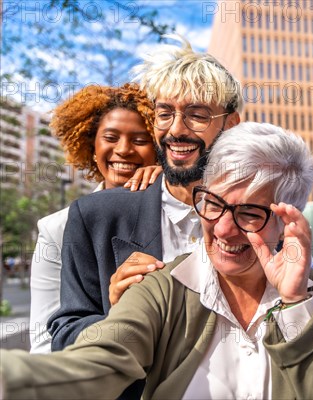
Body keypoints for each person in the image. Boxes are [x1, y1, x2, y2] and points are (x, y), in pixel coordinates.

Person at [0, 122, 313, 399]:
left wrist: (295, 304)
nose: (223, 228)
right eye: (214, 203)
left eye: (249, 213)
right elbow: (97, 363)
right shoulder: (162, 289)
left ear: (287, 220)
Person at [47, 34, 243, 354]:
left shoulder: (262, 216)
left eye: (196, 114)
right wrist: (120, 317)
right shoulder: (94, 217)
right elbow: (65, 337)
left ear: (231, 124)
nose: (177, 129)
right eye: (165, 113)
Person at [29, 83, 161, 354]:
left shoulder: (176, 211)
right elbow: (45, 341)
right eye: (110, 138)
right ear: (90, 146)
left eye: (139, 140)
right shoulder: (57, 227)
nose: (123, 150)